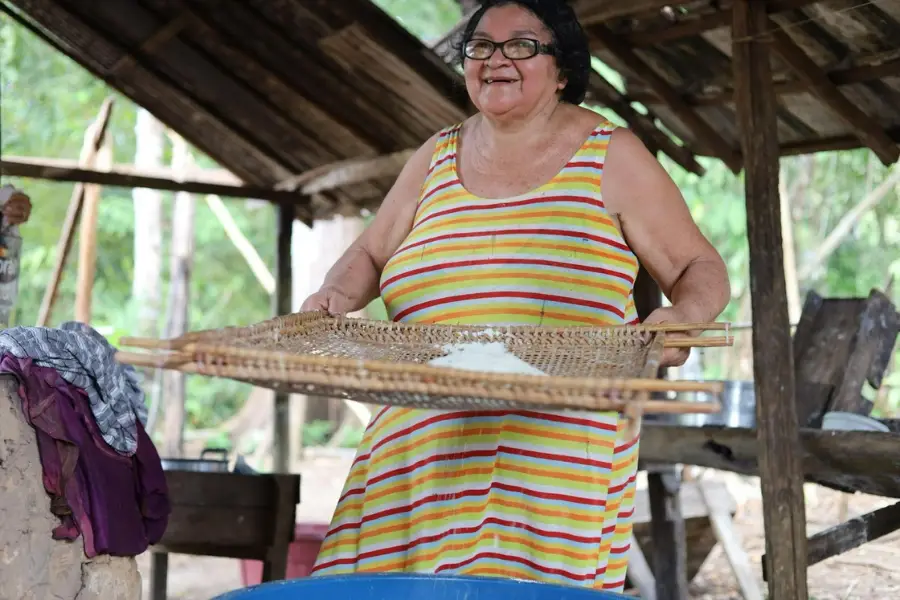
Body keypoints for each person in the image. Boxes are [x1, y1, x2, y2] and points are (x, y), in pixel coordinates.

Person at [304, 0, 730, 592]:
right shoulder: (434, 156)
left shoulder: (611, 155)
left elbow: (698, 266)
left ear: (563, 69)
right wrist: (333, 293)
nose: (496, 59)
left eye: (522, 46)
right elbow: (370, 255)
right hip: (414, 457)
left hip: (548, 465)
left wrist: (683, 316)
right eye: (481, 46)